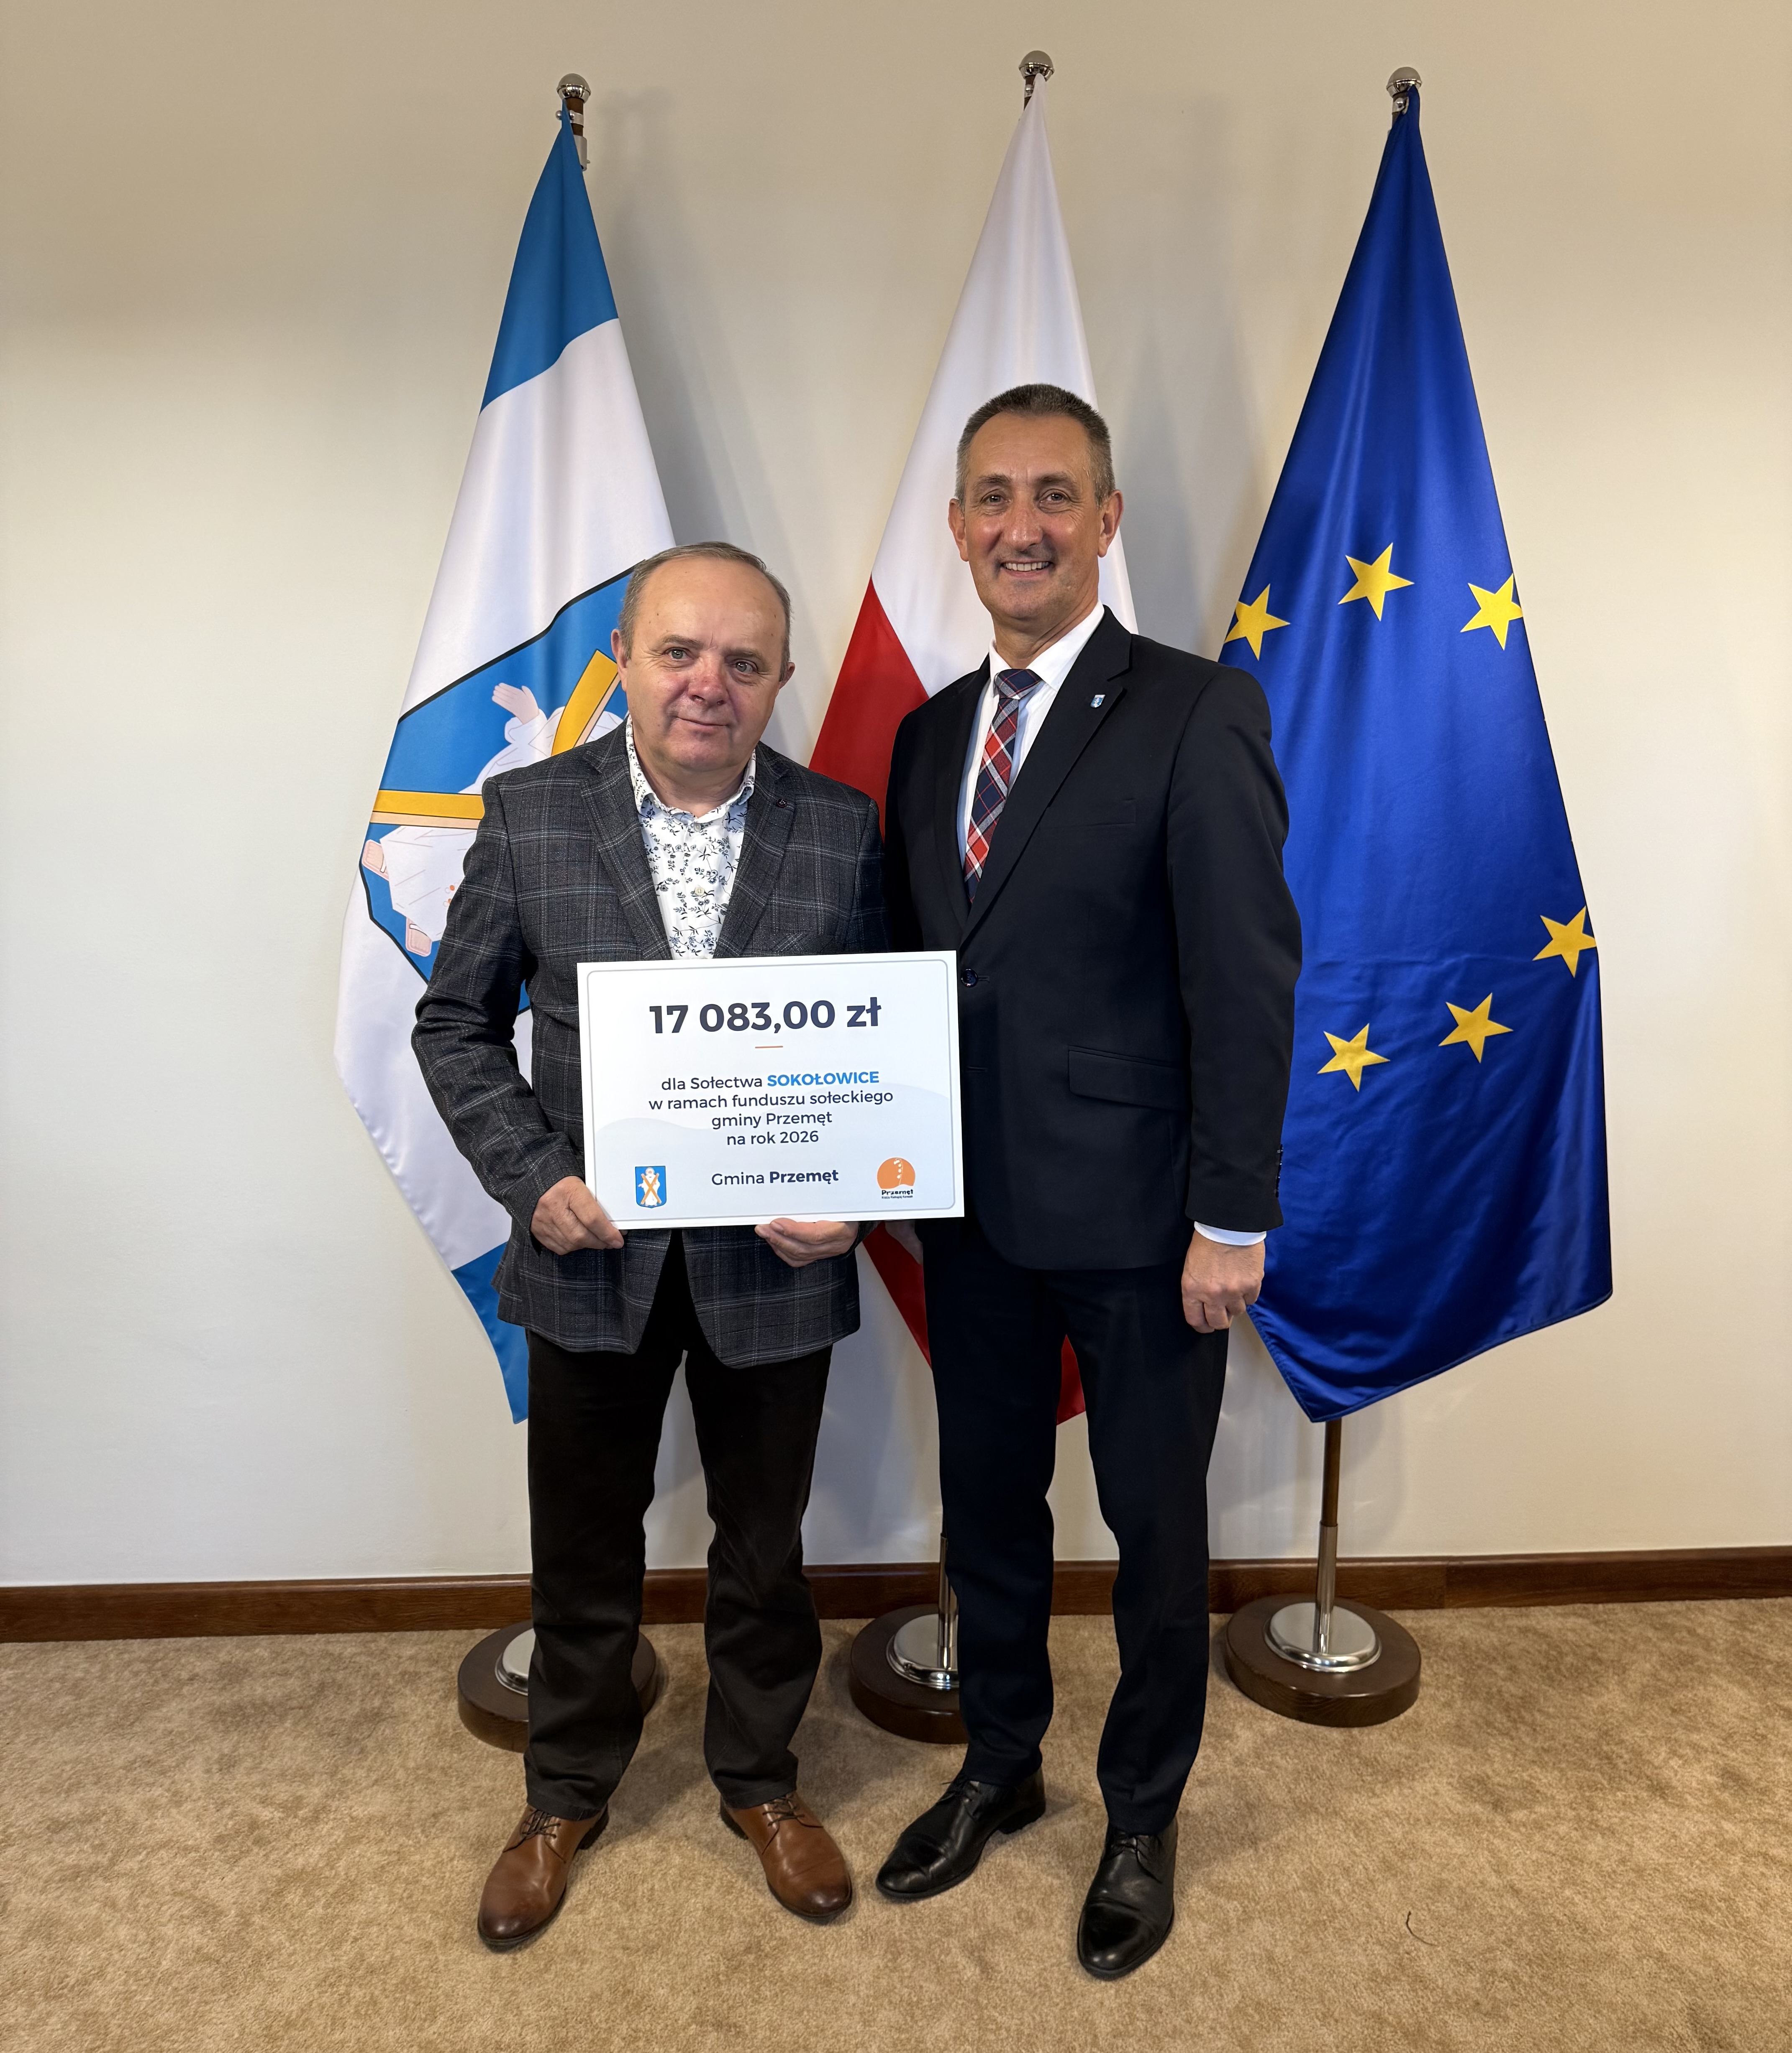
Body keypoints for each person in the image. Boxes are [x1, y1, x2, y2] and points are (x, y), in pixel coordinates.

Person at [876, 385, 1300, 1979]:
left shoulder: (1196, 709)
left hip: (1143, 1224)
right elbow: (909, 979)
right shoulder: (928, 734)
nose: (1023, 525)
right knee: (987, 1506)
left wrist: (1230, 1216)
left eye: (1055, 494)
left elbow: (1245, 976)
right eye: (993, 497)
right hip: (968, 1213)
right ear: (957, 528)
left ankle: (1139, 1812)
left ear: (1106, 520)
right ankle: (1000, 1760)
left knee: (1152, 1530)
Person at [414, 541, 885, 1950]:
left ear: (779, 678)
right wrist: (533, 1178)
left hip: (774, 1264)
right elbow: (453, 1022)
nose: (706, 684)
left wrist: (858, 1191)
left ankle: (761, 1779)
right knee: (581, 1544)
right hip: (588, 1253)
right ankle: (561, 1792)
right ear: (623, 658)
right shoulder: (530, 814)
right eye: (679, 652)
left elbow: (889, 1039)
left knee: (764, 1549)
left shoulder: (842, 828)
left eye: (742, 661)